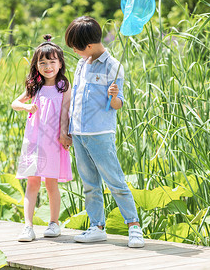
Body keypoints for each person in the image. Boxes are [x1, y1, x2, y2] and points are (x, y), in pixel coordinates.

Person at [65, 16, 145, 248]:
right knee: (89, 183)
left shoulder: (113, 66)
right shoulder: (82, 64)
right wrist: (69, 130)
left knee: (115, 181)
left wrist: (113, 95)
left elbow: (118, 104)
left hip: (100, 133)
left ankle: (134, 226)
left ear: (89, 45)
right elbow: (77, 98)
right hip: (79, 133)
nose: (76, 53)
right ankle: (97, 226)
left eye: (77, 48)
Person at [11, 34, 73, 242]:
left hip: (53, 142)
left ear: (60, 63)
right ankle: (28, 226)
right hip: (34, 142)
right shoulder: (34, 86)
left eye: (52, 62)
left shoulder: (63, 86)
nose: (48, 66)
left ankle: (54, 223)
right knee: (32, 183)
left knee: (51, 184)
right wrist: (27, 106)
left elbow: (65, 112)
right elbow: (14, 103)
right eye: (43, 62)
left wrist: (65, 135)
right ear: (36, 65)